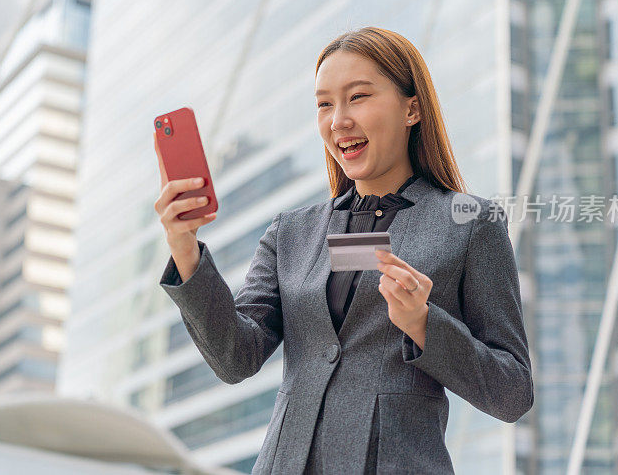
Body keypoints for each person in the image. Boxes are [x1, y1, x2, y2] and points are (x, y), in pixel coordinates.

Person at [154, 26, 533, 474]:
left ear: (412, 108)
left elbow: (512, 393)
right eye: (324, 104)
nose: (338, 121)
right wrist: (186, 250)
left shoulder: (471, 225)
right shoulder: (291, 233)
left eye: (357, 97)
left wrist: (425, 323)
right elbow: (236, 357)